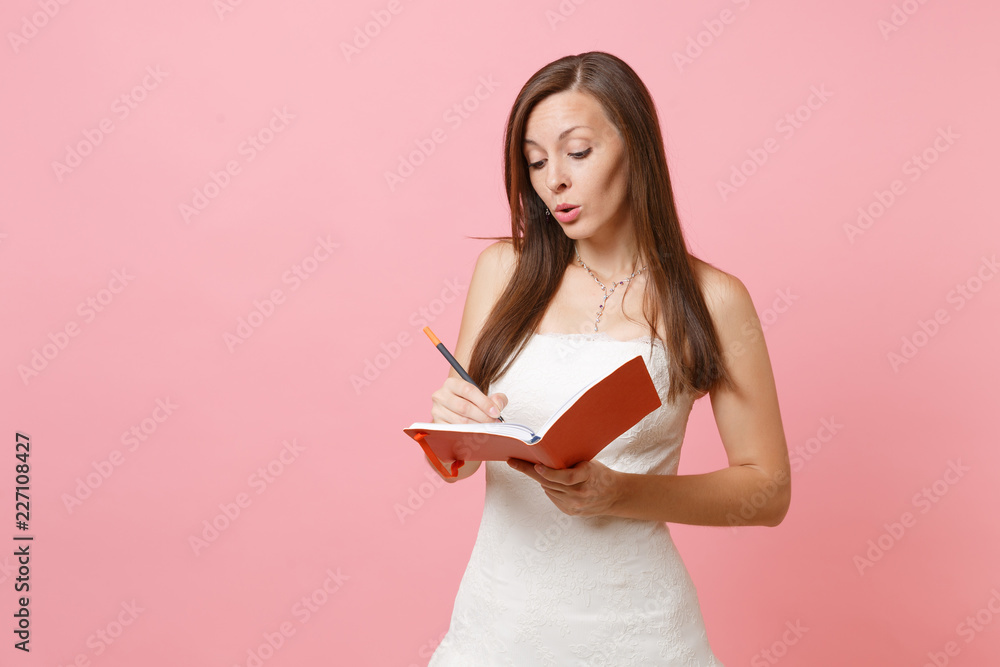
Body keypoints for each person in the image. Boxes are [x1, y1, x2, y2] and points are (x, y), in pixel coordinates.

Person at [424, 51, 790, 666]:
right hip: (498, 628)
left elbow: (767, 490)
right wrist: (450, 431)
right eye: (536, 162)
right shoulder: (502, 272)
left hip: (641, 631)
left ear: (636, 147)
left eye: (578, 152)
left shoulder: (713, 299)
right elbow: (453, 464)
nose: (552, 181)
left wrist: (620, 493)